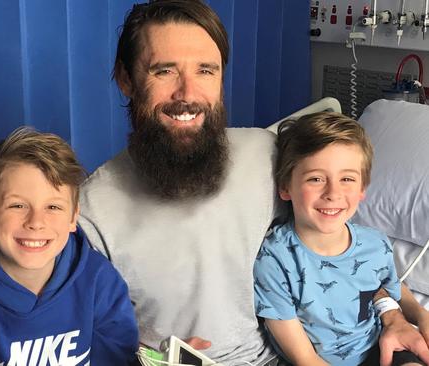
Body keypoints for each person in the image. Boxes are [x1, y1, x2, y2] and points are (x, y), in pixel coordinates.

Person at [78, 1, 429, 365]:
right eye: (164, 70)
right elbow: (87, 344)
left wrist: (398, 317)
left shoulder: (265, 154)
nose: (187, 93)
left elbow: (346, 253)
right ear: (125, 79)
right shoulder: (92, 215)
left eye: (205, 71)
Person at [253, 112, 428, 366]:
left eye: (347, 179)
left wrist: (420, 315)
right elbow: (305, 359)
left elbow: (390, 286)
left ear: (362, 189)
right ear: (285, 187)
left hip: (376, 347)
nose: (333, 193)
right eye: (315, 179)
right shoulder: (276, 259)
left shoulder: (375, 245)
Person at [0, 127, 139, 365]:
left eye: (53, 207)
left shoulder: (98, 281)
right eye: (17, 206)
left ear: (74, 217)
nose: (36, 223)